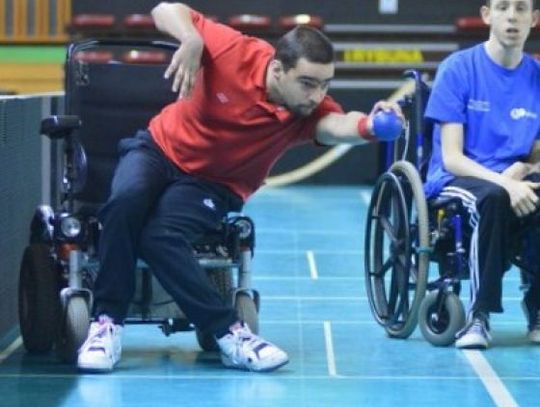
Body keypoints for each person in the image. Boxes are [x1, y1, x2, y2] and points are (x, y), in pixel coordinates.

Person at [76, 2, 403, 373]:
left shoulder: (305, 110)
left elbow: (338, 125)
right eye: (308, 83)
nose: (316, 95)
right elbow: (164, 9)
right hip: (159, 150)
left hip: (214, 184)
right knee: (125, 200)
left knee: (159, 237)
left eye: (325, 84)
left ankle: (230, 334)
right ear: (277, 69)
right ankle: (106, 324)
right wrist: (191, 38)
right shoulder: (234, 50)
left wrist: (371, 126)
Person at [424, 0, 540, 349]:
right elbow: (452, 158)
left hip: (513, 176)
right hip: (457, 178)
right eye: (503, 7)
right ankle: (479, 315)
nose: (512, 16)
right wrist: (506, 183)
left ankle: (537, 308)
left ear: (534, 19)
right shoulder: (458, 69)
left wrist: (523, 169)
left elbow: (536, 151)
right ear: (487, 15)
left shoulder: (536, 76)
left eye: (521, 8)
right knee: (493, 198)